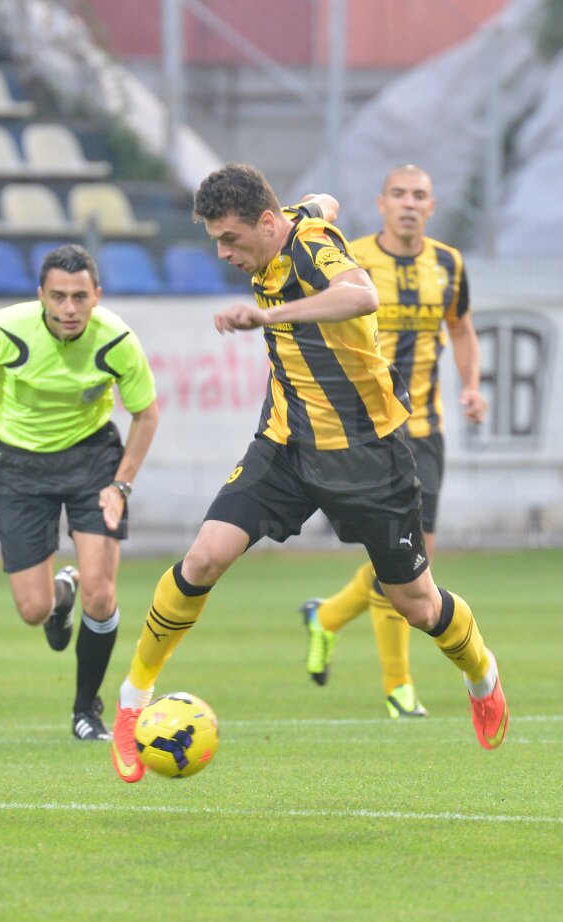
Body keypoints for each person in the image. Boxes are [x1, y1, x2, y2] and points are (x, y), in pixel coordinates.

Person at [109, 164, 508, 784]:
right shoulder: (291, 220)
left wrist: (271, 317)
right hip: (285, 444)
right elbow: (323, 200)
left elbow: (361, 293)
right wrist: (316, 202)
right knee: (204, 558)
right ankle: (132, 702)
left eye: (231, 239)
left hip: (366, 453)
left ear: (267, 224)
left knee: (417, 604)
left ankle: (482, 675)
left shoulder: (312, 250)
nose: (223, 253)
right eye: (215, 240)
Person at [0, 243, 159, 741]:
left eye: (80, 297)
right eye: (57, 296)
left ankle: (87, 711)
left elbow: (146, 414)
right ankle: (63, 592)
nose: (68, 309)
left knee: (102, 595)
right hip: (19, 467)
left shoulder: (117, 339)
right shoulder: (0, 330)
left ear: (96, 296)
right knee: (33, 609)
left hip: (93, 462)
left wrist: (121, 484)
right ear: (40, 295)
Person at [300, 164, 487, 719]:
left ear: (432, 206)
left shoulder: (449, 263)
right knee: (400, 561)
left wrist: (473, 386)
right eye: (399, 194)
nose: (409, 204)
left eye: (420, 196)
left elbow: (460, 326)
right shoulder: (348, 258)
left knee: (412, 560)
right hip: (371, 428)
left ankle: (328, 618)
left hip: (426, 430)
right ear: (381, 203)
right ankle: (398, 686)